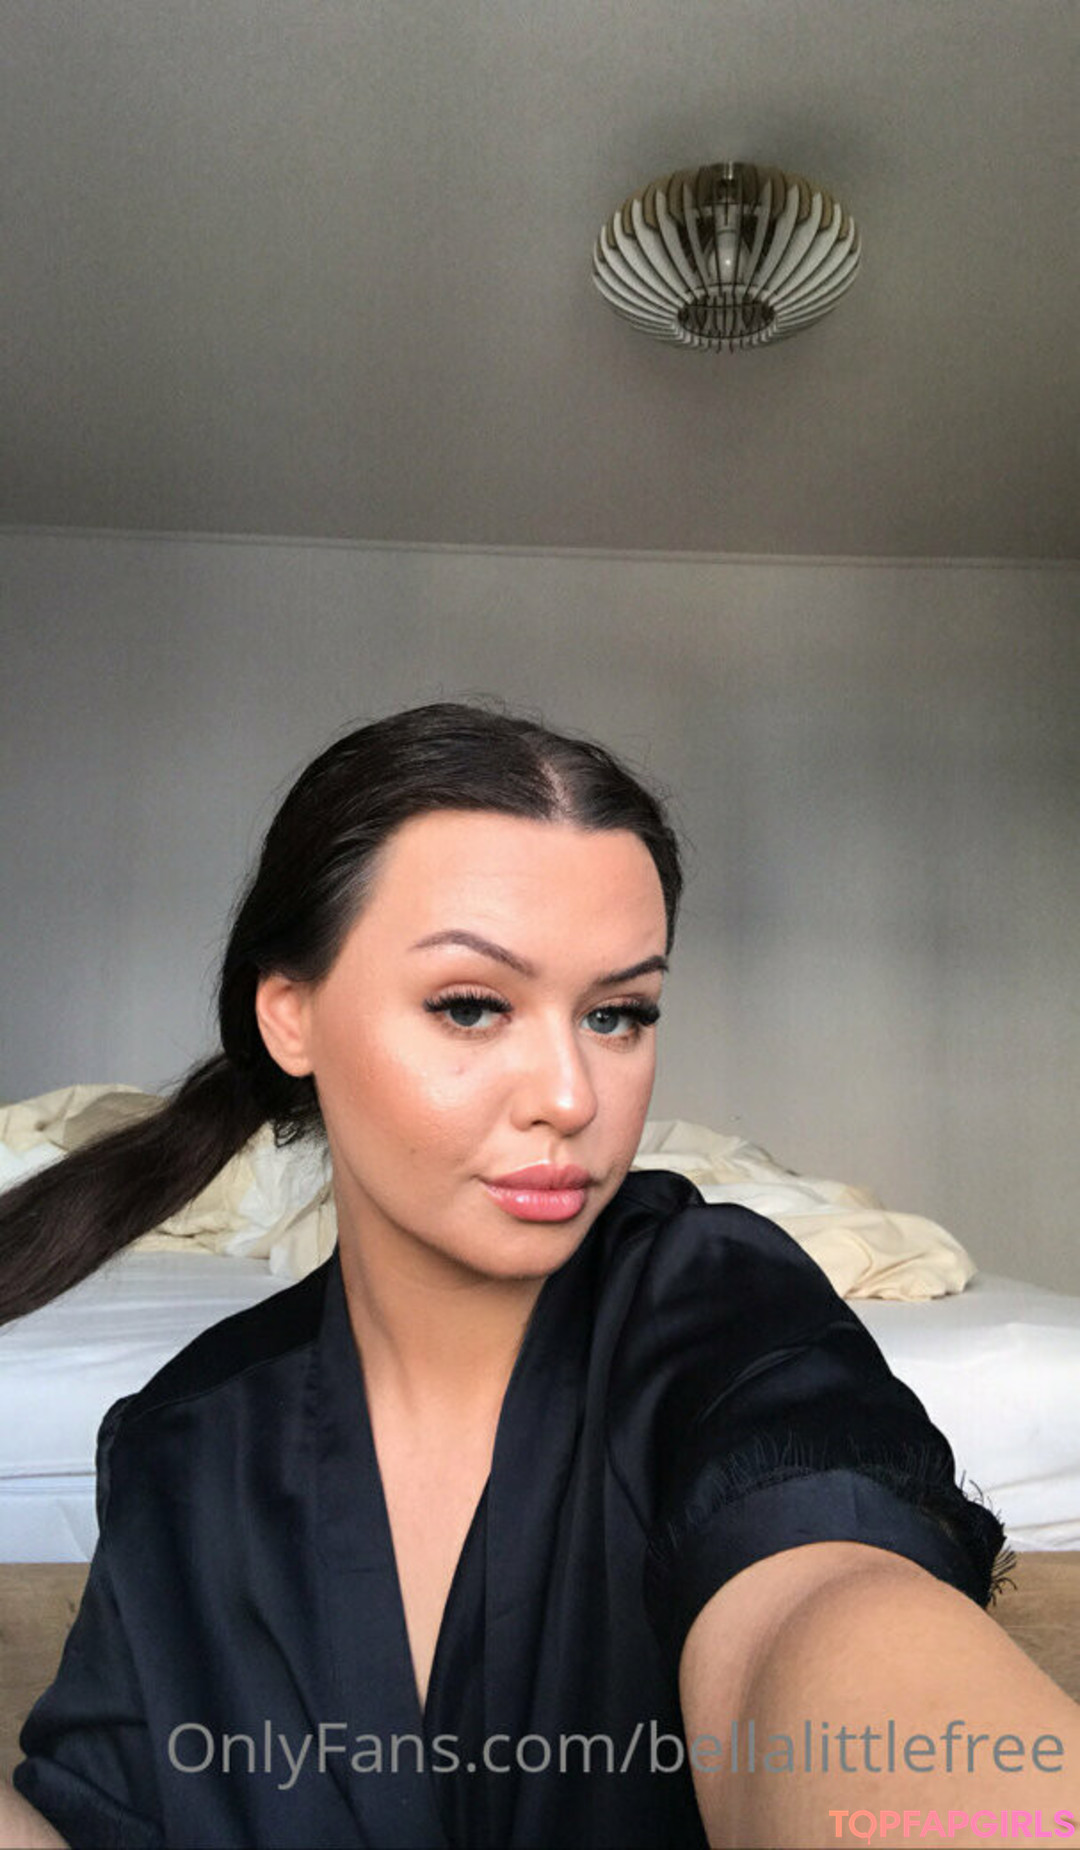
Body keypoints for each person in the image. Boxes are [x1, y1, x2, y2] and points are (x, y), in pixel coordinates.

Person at [0, 701, 1077, 1850]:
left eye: (618, 1014)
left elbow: (821, 1598)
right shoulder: (187, 1436)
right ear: (291, 1015)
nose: (571, 1094)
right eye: (472, 1006)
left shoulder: (712, 1305)